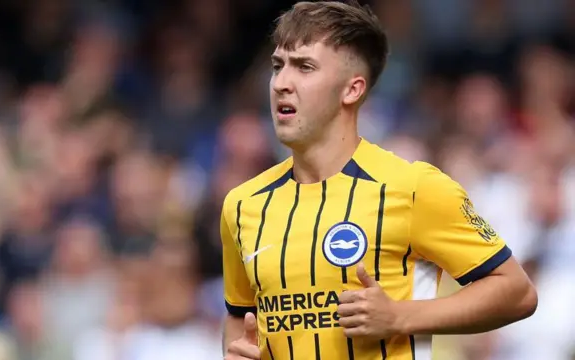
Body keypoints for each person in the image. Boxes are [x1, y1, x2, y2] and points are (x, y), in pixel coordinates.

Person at [219, 2, 538, 360]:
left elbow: (516, 292)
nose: (281, 83)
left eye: (304, 67)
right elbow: (239, 316)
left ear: (352, 90)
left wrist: (399, 317)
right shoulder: (242, 205)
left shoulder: (414, 187)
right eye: (278, 66)